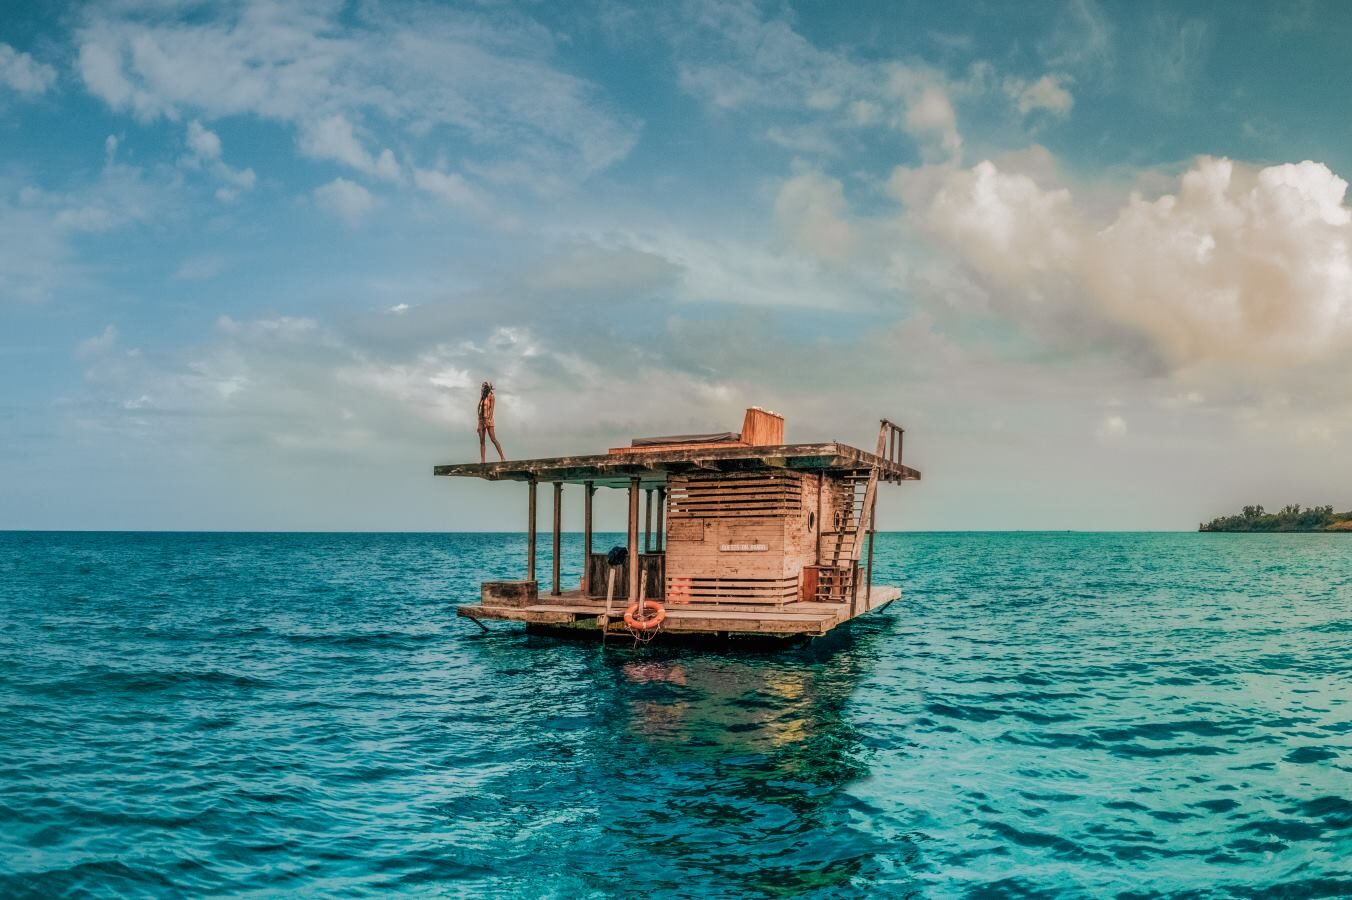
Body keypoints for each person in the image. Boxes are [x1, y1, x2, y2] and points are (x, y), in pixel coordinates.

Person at [477, 381, 506, 463]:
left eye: (484, 386)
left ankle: (502, 457)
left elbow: (492, 409)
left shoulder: (491, 396)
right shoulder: (482, 397)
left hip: (488, 419)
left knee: (493, 438)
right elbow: (480, 410)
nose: (482, 388)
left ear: (487, 387)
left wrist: (488, 420)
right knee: (482, 441)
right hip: (481, 420)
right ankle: (483, 461)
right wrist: (478, 424)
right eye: (482, 387)